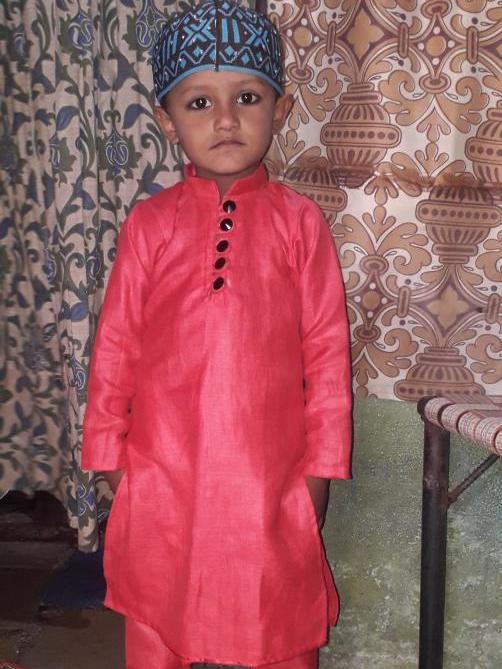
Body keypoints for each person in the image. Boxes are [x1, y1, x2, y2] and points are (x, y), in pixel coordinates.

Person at [81, 2, 352, 668]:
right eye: (199, 102)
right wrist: (110, 455)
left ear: (280, 110)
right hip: (161, 471)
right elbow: (115, 347)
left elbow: (326, 355)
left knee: (278, 618)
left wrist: (320, 471)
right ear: (166, 121)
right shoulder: (149, 225)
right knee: (158, 609)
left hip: (268, 476)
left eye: (247, 98)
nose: (225, 119)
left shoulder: (300, 224)